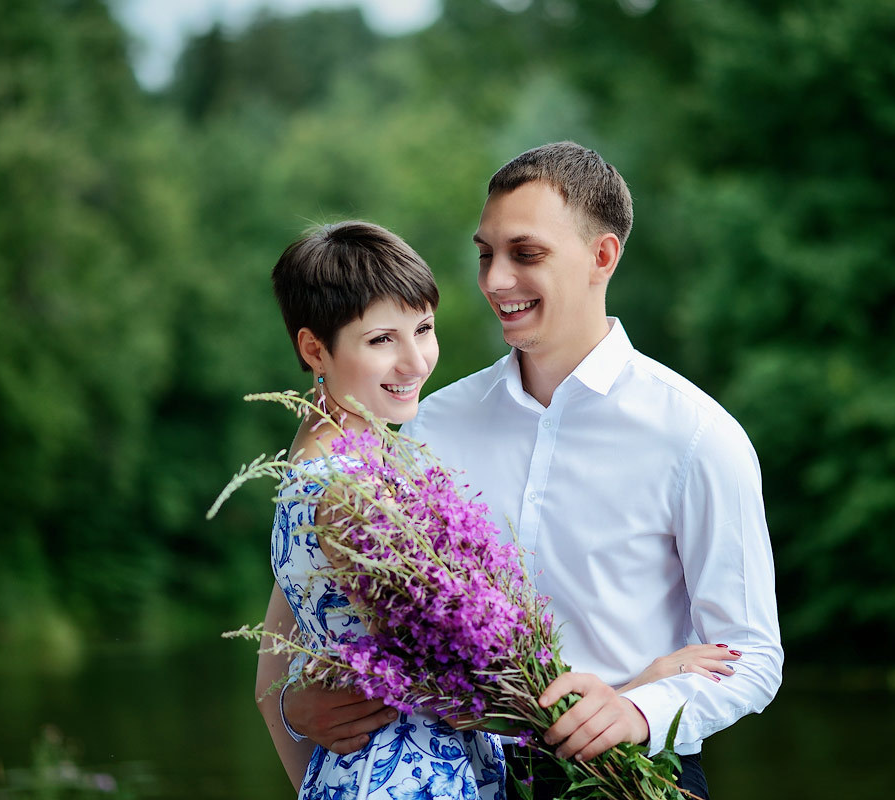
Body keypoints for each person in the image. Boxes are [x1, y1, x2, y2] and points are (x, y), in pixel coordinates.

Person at [271, 143, 783, 800]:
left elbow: (752, 658)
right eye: (486, 254)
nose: (494, 280)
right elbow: (314, 619)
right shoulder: (427, 426)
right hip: (464, 780)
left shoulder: (696, 436)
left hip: (631, 776)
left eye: (525, 254)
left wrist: (639, 707)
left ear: (602, 257)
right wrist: (297, 706)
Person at [260, 220, 505, 799]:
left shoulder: (313, 471)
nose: (416, 362)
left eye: (423, 329)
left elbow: (268, 692)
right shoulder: (354, 494)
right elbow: (459, 677)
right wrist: (639, 690)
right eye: (381, 340)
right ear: (314, 348)